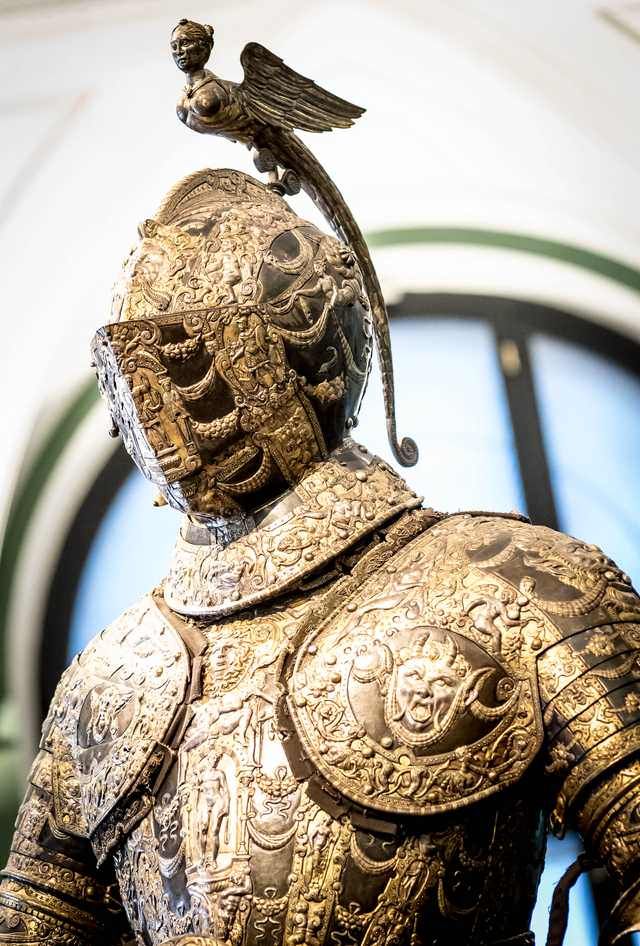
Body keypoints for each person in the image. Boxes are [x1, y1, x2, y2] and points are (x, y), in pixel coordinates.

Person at [1, 165, 640, 946]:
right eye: (133, 374)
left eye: (186, 366)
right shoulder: (108, 684)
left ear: (298, 353)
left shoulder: (518, 586)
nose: (158, 408)